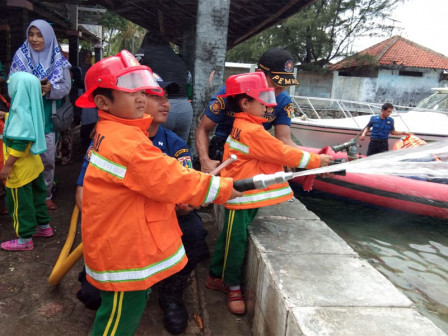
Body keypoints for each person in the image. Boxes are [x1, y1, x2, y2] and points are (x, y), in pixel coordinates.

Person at [75, 50, 242, 335]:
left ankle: (171, 294)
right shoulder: (128, 143)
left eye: (144, 91)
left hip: (126, 239)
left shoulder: (114, 133)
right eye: (131, 92)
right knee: (116, 322)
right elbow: (172, 177)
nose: (143, 98)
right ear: (103, 101)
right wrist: (223, 187)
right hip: (123, 251)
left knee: (129, 306)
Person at [205, 72, 332, 315]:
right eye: (263, 102)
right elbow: (283, 153)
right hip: (239, 195)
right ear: (245, 103)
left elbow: (278, 151)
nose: (268, 106)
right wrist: (317, 161)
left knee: (232, 238)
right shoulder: (252, 131)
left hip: (244, 194)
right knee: (235, 242)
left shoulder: (248, 126)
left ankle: (215, 275)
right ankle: (231, 285)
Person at [196, 47, 300, 173]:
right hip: (224, 151)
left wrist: (312, 159)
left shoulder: (283, 100)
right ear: (259, 73)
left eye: (285, 84)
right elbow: (203, 129)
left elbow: (284, 139)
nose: (281, 88)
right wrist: (205, 160)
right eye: (276, 82)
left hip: (257, 150)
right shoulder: (231, 92)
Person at [9, 19, 72, 210]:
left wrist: (50, 88)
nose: (34, 39)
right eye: (31, 34)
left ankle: (45, 194)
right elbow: (12, 85)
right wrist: (29, 88)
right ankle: (25, 195)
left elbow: (66, 87)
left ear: (49, 37)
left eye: (39, 35)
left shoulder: (59, 61)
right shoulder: (20, 56)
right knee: (22, 158)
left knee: (46, 159)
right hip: (24, 118)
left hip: (46, 118)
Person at [0, 72, 52, 251]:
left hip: (19, 169)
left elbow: (21, 140)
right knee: (38, 196)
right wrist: (4, 115)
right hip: (34, 166)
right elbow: (21, 120)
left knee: (19, 203)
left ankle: (25, 238)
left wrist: (8, 165)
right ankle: (44, 227)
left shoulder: (20, 117)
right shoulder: (30, 108)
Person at [136, 31, 193, 142]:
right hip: (185, 109)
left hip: (160, 106)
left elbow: (132, 75)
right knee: (179, 150)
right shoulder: (178, 58)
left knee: (153, 150)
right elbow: (188, 80)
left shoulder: (143, 54)